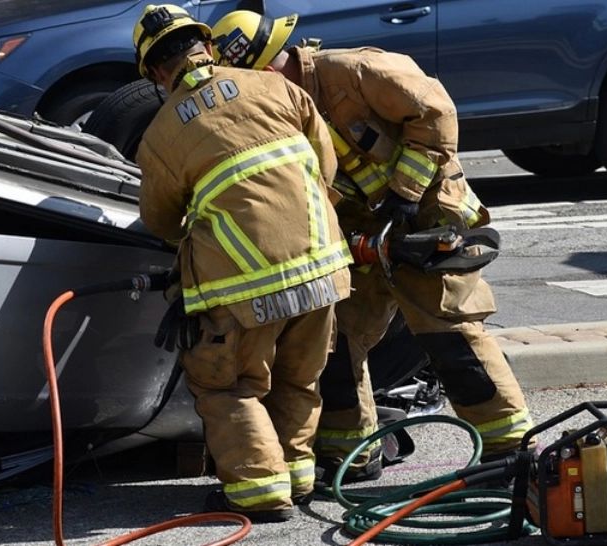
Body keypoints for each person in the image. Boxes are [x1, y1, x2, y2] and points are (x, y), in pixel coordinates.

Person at [210, 10, 535, 483]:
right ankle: (354, 454)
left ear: (272, 64)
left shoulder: (354, 72)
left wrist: (404, 196)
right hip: (369, 235)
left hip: (425, 215)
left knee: (447, 331)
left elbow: (436, 112)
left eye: (259, 75)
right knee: (336, 337)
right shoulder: (282, 111)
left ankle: (508, 450)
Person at [133, 4, 353, 522]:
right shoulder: (274, 86)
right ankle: (299, 479)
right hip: (324, 268)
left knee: (228, 385)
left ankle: (259, 492)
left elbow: (162, 220)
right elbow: (327, 165)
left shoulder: (161, 134)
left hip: (242, 287)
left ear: (157, 73)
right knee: (300, 379)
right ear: (205, 47)